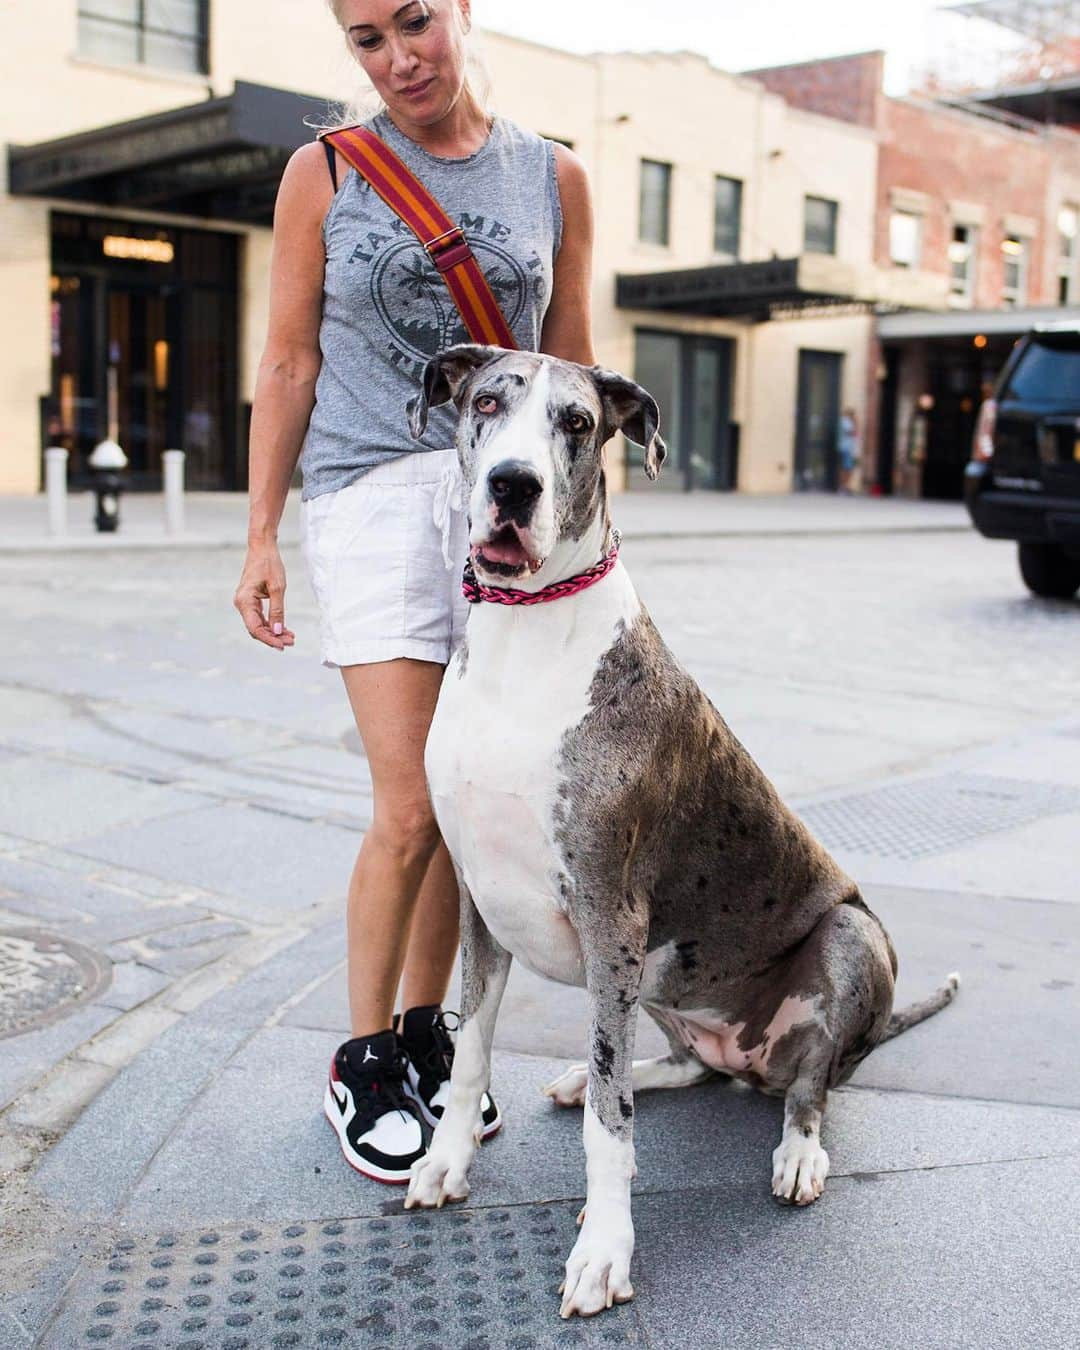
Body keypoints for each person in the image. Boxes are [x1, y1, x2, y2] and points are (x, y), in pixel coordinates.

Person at [232, 0, 595, 1183]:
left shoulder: (555, 178)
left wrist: (588, 544)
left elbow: (572, 366)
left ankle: (429, 1034)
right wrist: (260, 535)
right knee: (407, 803)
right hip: (371, 496)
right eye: (366, 40)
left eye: (414, 23)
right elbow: (289, 359)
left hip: (503, 498)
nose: (398, 59)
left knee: (459, 801)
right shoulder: (325, 171)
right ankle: (362, 1060)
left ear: (462, 12)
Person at [838, 406, 861, 494]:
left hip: (850, 448)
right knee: (846, 468)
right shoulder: (845, 421)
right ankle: (843, 487)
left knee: (849, 468)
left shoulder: (848, 422)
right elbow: (852, 432)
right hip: (846, 448)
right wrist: (856, 424)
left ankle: (845, 486)